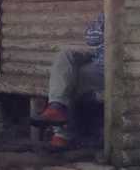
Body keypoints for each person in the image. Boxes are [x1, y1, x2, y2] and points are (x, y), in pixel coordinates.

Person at [35, 13, 105, 150]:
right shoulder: (108, 12)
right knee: (65, 55)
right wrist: (104, 32)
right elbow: (91, 37)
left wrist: (105, 32)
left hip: (110, 65)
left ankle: (62, 135)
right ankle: (56, 107)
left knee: (72, 77)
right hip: (96, 56)